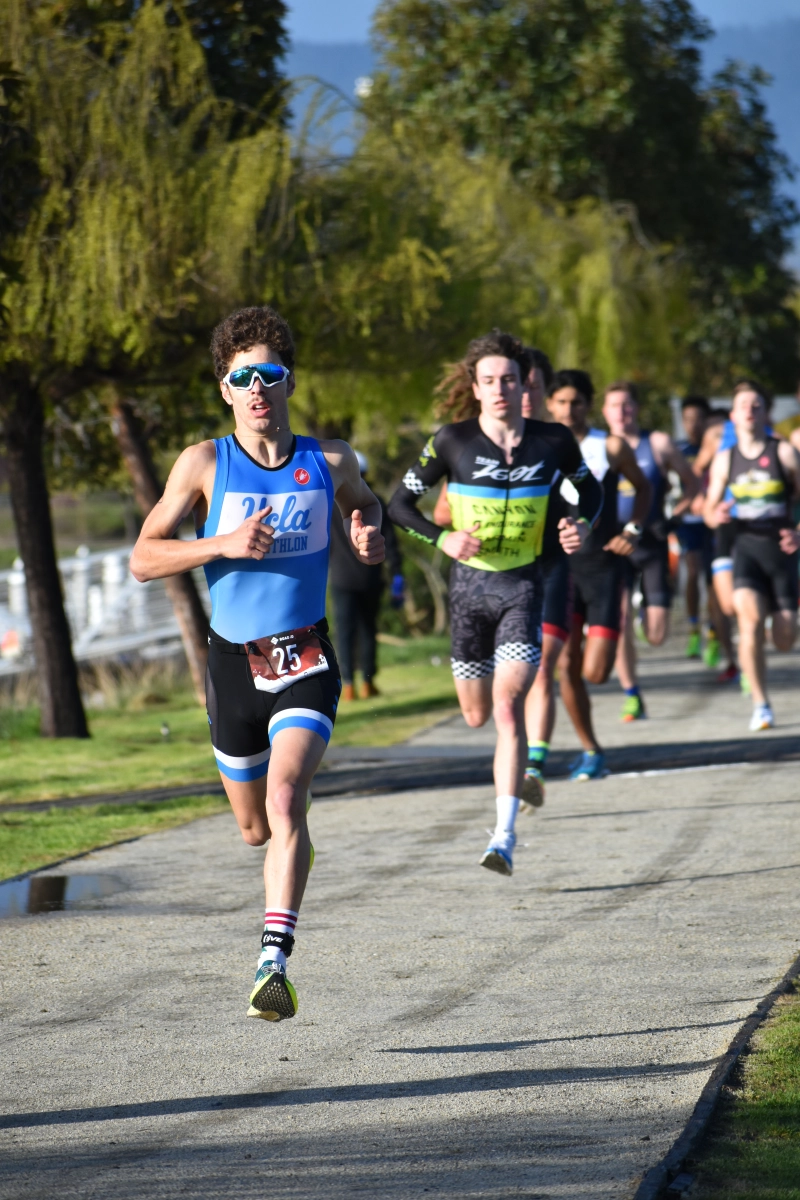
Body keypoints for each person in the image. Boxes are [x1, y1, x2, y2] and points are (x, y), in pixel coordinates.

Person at [130, 305, 384, 1021]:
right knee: (253, 826)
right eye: (241, 376)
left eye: (268, 373)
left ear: (288, 380)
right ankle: (283, 861)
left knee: (285, 800)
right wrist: (222, 545)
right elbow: (145, 557)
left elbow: (366, 509)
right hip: (231, 670)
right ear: (225, 389)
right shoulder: (205, 463)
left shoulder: (329, 460)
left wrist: (369, 539)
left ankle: (274, 958)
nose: (256, 388)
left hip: (304, 655)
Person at [389, 330, 602, 876]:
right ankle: (508, 810)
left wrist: (579, 523)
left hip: (522, 589)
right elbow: (400, 505)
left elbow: (593, 492)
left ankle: (503, 836)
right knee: (476, 713)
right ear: (476, 388)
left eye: (510, 378)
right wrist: (443, 539)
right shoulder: (453, 441)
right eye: (489, 381)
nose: (501, 389)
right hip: (468, 593)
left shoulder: (552, 441)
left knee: (509, 707)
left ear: (524, 382)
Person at [544, 370, 650, 779]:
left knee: (596, 672)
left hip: (603, 567)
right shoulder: (541, 448)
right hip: (560, 570)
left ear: (589, 405)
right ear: (550, 405)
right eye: (562, 402)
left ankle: (592, 742)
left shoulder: (609, 446)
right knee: (565, 664)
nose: (569, 410)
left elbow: (643, 488)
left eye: (577, 402)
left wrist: (633, 529)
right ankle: (591, 750)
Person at [704, 379, 800, 730]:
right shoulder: (725, 458)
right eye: (743, 404)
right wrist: (713, 515)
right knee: (750, 622)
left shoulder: (785, 452)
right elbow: (708, 507)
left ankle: (783, 618)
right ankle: (761, 704)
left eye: (756, 405)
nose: (749, 410)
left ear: (766, 413)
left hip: (781, 550)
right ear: (732, 415)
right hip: (745, 548)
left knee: (785, 640)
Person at [602, 382, 697, 721]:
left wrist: (674, 518)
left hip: (652, 540)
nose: (622, 412)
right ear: (604, 411)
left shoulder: (656, 443)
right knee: (620, 619)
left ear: (637, 408)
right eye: (615, 405)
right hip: (614, 546)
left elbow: (692, 482)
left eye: (627, 405)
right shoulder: (599, 447)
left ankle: (648, 615)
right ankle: (632, 693)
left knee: (657, 635)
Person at [329, 450, 403, 701]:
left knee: (345, 632)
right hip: (370, 578)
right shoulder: (376, 503)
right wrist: (397, 578)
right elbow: (391, 545)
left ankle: (347, 683)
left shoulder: (329, 505)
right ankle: (367, 683)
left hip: (340, 579)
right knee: (368, 630)